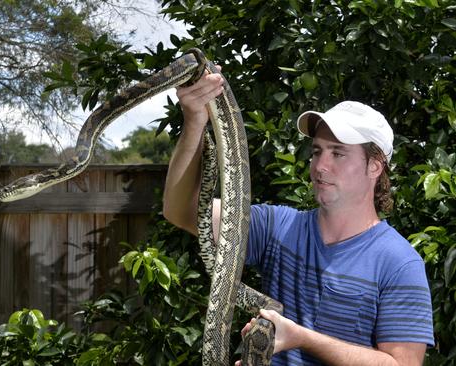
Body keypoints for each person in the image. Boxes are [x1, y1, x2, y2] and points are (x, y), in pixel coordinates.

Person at [162, 70, 434, 365]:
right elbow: (181, 212)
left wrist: (302, 338)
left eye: (338, 154)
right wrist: (194, 121)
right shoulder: (277, 227)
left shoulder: (399, 263)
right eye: (317, 151)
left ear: (375, 167)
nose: (320, 166)